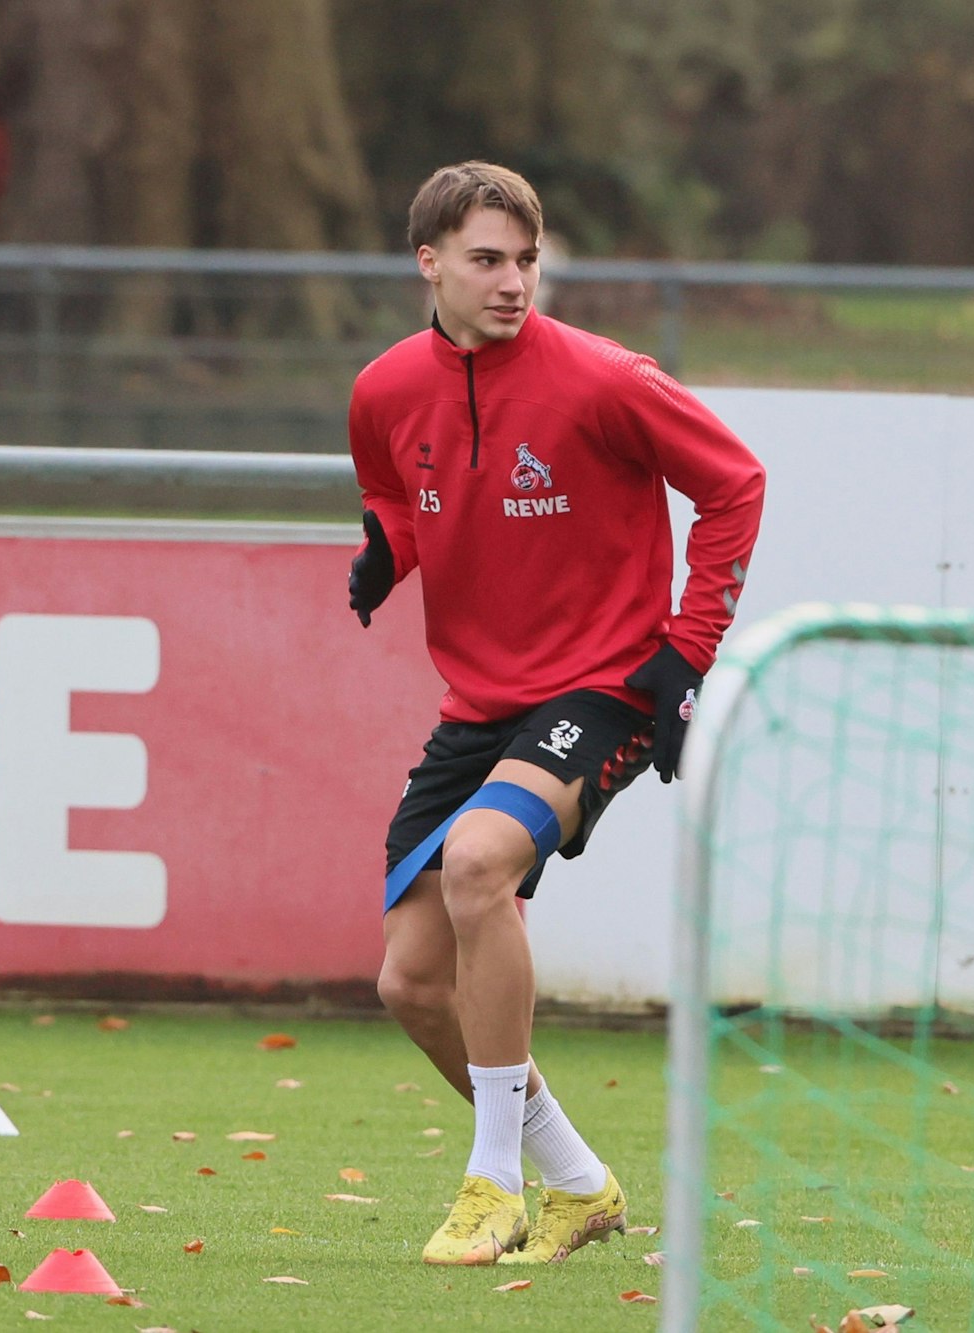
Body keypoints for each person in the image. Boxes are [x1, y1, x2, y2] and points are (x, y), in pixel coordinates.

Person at [348, 162, 765, 1267]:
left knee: (479, 864)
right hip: (477, 702)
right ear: (428, 262)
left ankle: (492, 1184)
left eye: (525, 260)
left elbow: (732, 483)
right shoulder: (383, 388)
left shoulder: (603, 379)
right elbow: (394, 487)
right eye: (486, 260)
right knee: (409, 979)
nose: (511, 282)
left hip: (604, 681)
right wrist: (386, 549)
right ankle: (579, 1184)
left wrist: (685, 651)